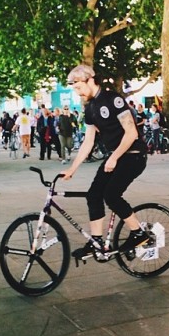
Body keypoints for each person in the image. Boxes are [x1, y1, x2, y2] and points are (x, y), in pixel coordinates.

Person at [61, 64, 149, 258]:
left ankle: (139, 233)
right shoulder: (90, 108)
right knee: (93, 195)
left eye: (78, 87)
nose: (77, 93)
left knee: (111, 195)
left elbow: (132, 132)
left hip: (133, 155)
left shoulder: (113, 99)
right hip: (115, 157)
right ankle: (96, 242)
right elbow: (88, 141)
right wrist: (72, 169)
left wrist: (115, 157)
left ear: (90, 80)